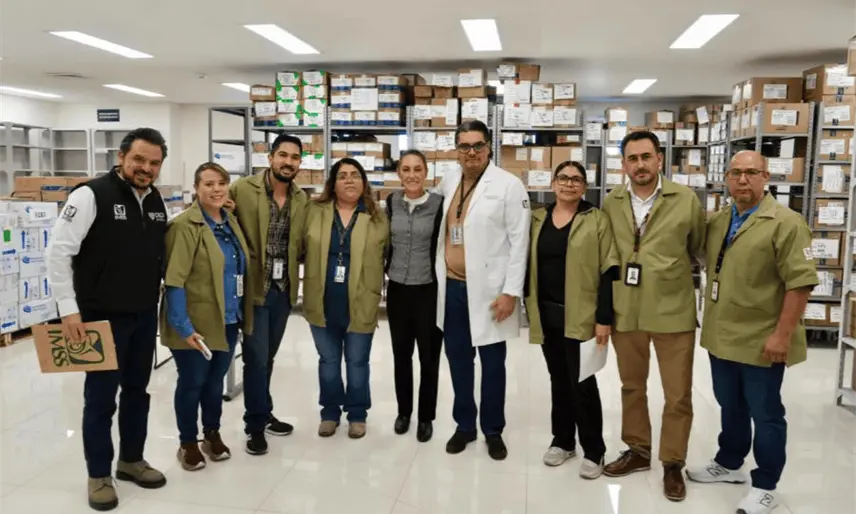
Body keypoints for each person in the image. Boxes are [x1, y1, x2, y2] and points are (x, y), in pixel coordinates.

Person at [686, 151, 818, 514]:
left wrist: (782, 335)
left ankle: (766, 485)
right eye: (735, 173)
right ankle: (729, 462)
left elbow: (800, 284)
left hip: (762, 337)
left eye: (751, 173)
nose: (742, 180)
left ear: (766, 177)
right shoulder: (720, 220)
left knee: (766, 412)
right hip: (722, 334)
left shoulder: (786, 223)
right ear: (727, 178)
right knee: (730, 404)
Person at [46, 128, 170, 511]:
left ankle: (131, 460)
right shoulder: (90, 195)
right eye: (139, 160)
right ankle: (99, 474)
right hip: (100, 318)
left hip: (143, 314)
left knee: (137, 392)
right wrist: (68, 309)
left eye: (154, 162)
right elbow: (58, 253)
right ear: (121, 157)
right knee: (100, 399)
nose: (146, 168)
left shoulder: (155, 200)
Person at [601, 130, 705, 501]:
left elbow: (697, 247)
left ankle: (673, 462)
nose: (640, 164)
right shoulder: (612, 201)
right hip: (627, 309)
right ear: (624, 164)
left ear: (660, 159)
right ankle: (638, 450)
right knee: (632, 386)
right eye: (632, 158)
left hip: (672, 310)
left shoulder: (685, 199)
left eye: (646, 156)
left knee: (678, 394)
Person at [435, 120, 531, 460]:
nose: (471, 152)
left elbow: (520, 243)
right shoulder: (449, 180)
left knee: (492, 365)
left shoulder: (509, 185)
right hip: (452, 289)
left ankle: (493, 429)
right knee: (459, 361)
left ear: (489, 148)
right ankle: (465, 426)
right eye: (464, 146)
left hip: (492, 292)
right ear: (456, 150)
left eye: (478, 145)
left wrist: (511, 292)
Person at [524, 161, 619, 479]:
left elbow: (608, 270)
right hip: (547, 313)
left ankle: (594, 450)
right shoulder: (538, 218)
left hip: (581, 315)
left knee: (583, 383)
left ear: (584, 187)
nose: (569, 184)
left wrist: (603, 318)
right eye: (563, 178)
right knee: (558, 379)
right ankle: (563, 441)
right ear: (553, 184)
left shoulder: (596, 219)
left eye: (576, 179)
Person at [161, 162, 251, 471]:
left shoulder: (230, 222)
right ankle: (187, 442)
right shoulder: (184, 226)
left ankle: (211, 434)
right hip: (195, 323)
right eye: (209, 184)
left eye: (221, 183)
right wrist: (183, 327)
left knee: (214, 384)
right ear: (196, 188)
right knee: (193, 383)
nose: (216, 189)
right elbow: (174, 281)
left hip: (228, 319)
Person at [228, 134, 308, 455]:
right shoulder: (242, 189)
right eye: (283, 155)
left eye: (295, 157)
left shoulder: (301, 198)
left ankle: (264, 410)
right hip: (253, 290)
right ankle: (255, 425)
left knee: (268, 357)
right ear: (270, 157)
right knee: (256, 359)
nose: (288, 162)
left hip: (283, 290)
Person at [302, 158, 389, 439]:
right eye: (342, 176)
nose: (349, 180)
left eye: (355, 175)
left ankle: (357, 414)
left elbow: (389, 255)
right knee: (328, 362)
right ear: (333, 183)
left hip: (361, 302)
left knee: (357, 362)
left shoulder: (377, 217)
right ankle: (329, 412)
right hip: (322, 301)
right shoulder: (314, 212)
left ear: (363, 182)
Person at [385, 150, 444, 443]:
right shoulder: (391, 202)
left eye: (417, 169)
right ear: (399, 173)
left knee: (429, 358)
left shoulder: (439, 204)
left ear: (426, 173)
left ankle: (425, 417)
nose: (412, 175)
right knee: (401, 355)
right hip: (397, 289)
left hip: (428, 290)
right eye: (406, 169)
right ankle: (404, 412)